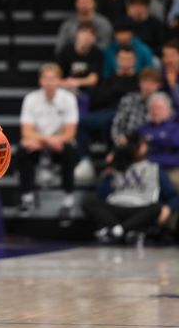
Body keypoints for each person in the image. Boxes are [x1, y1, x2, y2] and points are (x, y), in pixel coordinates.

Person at [82, 131, 178, 243]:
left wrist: (169, 208)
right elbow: (101, 195)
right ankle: (125, 231)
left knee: (156, 207)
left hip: (140, 208)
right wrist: (109, 171)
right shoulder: (116, 168)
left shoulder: (154, 169)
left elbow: (174, 196)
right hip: (116, 207)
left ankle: (117, 231)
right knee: (89, 202)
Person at [17, 64, 79, 215]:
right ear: (40, 81)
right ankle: (27, 197)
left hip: (59, 143)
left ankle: (68, 198)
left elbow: (70, 133)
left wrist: (52, 141)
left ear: (59, 80)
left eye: (53, 78)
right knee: (22, 150)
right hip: (39, 143)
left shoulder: (69, 99)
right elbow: (26, 131)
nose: (49, 82)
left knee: (70, 151)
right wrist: (48, 141)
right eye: (46, 78)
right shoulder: (30, 99)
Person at [111, 67, 163, 144]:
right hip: (127, 142)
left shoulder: (163, 103)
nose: (148, 86)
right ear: (140, 83)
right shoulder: (128, 99)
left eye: (152, 83)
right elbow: (117, 124)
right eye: (145, 81)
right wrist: (118, 139)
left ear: (159, 85)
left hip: (152, 143)